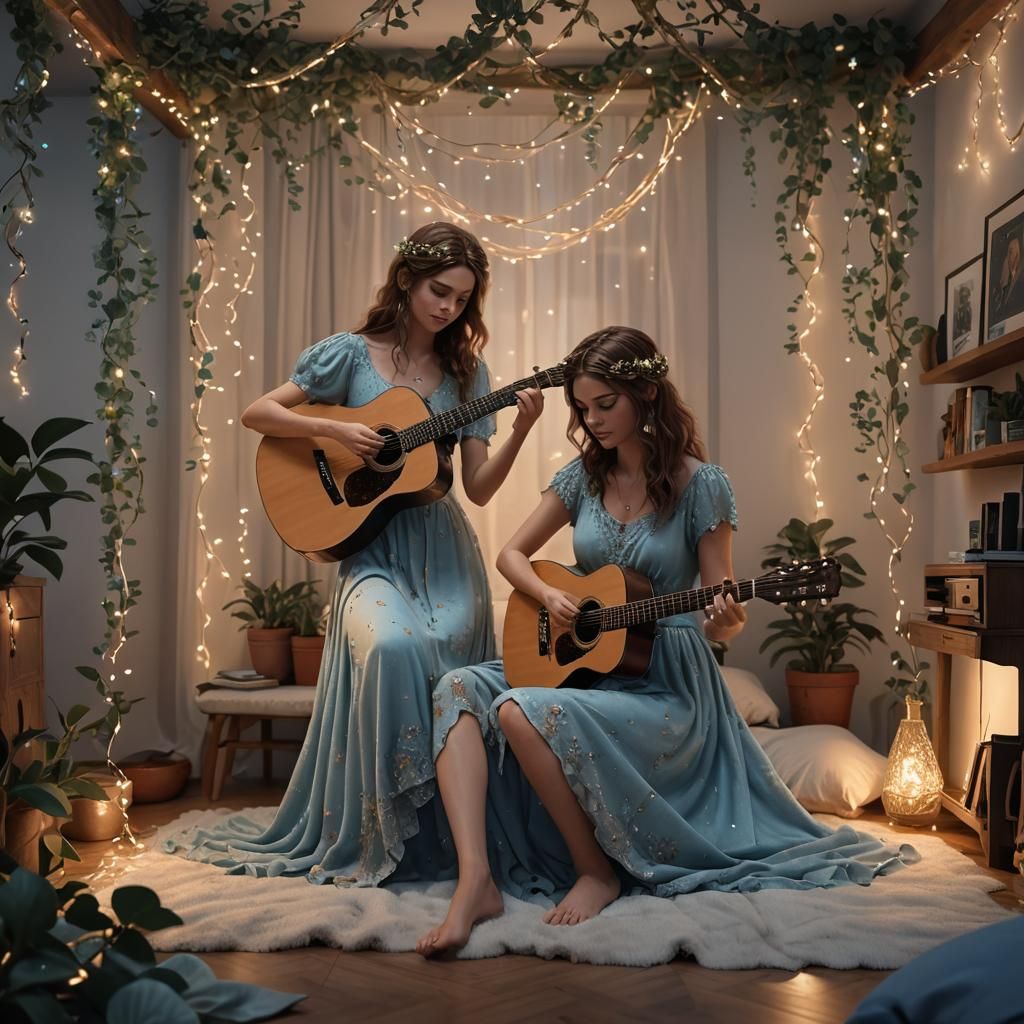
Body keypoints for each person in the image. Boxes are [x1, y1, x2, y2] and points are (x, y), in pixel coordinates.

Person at [419, 325, 916, 957]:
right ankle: (476, 881)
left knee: (520, 710)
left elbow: (720, 614)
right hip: (588, 663)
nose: (592, 420)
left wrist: (727, 618)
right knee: (458, 686)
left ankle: (596, 872)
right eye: (583, 408)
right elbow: (511, 554)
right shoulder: (580, 479)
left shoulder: (702, 485)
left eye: (606, 404)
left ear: (647, 393)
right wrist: (548, 595)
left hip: (664, 676)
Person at [165, 221, 544, 884]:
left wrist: (522, 429)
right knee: (392, 648)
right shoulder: (348, 354)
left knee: (450, 674)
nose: (448, 307)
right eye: (439, 290)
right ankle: (380, 830)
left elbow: (480, 488)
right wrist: (333, 428)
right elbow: (259, 413)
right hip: (372, 555)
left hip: (445, 555)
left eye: (461, 298)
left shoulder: (467, 372)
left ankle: (444, 846)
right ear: (407, 279)